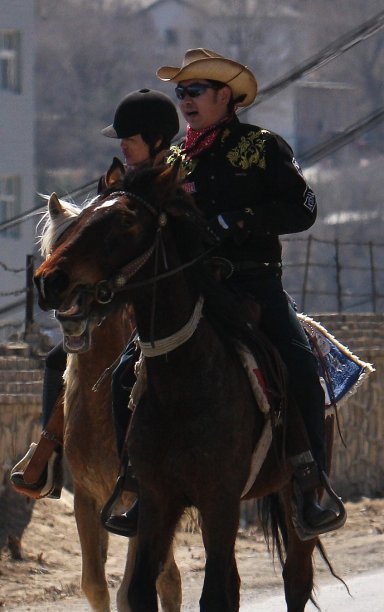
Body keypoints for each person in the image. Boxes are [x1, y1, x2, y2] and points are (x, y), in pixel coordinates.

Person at [107, 48, 345, 537]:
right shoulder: (172, 160)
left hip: (254, 281)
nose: (186, 101)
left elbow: (303, 208)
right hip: (193, 289)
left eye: (195, 92)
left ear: (225, 96)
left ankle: (309, 484)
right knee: (121, 377)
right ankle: (133, 483)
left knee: (299, 363)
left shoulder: (262, 146)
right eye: (181, 93)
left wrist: (239, 220)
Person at [10, 89, 180, 501]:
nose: (122, 145)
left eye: (130, 138)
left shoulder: (175, 181)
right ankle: (49, 459)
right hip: (113, 301)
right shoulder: (117, 185)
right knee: (58, 360)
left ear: (157, 140)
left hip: (163, 304)